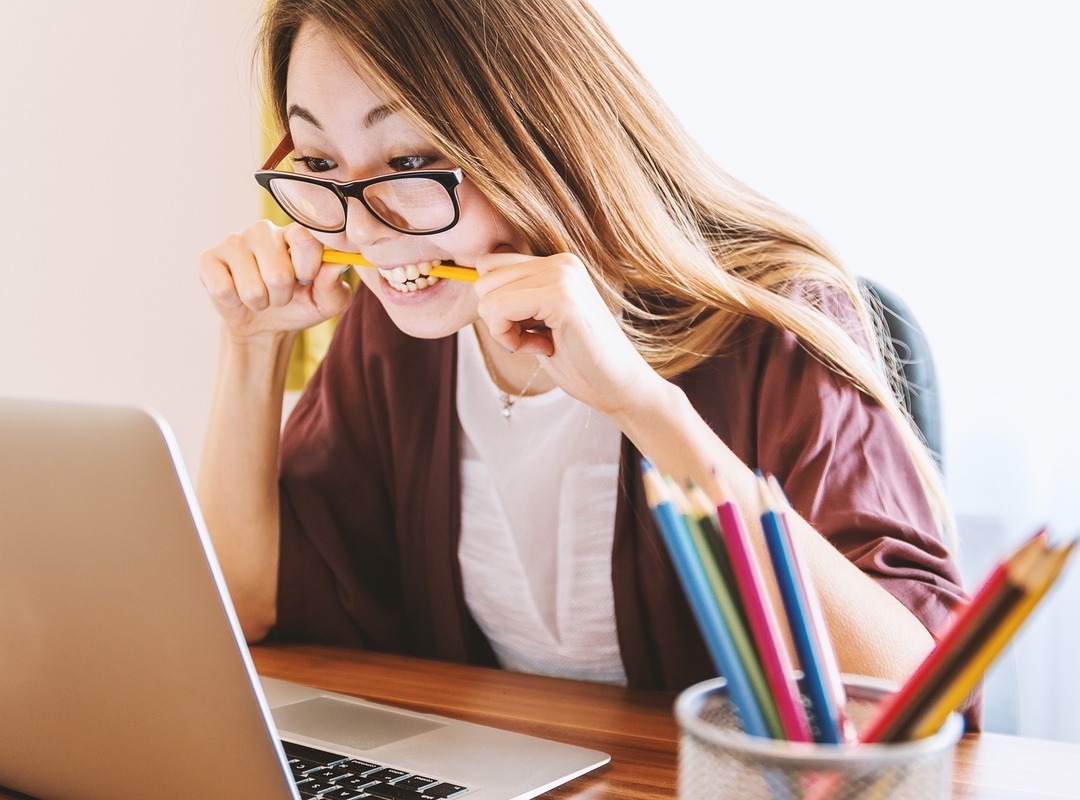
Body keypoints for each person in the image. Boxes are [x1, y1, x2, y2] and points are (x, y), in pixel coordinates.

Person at [198, 0, 972, 711]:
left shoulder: (772, 323)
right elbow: (245, 604)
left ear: (536, 133)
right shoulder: (399, 333)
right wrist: (253, 346)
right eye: (322, 164)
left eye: (408, 163)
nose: (362, 232)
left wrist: (640, 402)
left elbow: (918, 695)